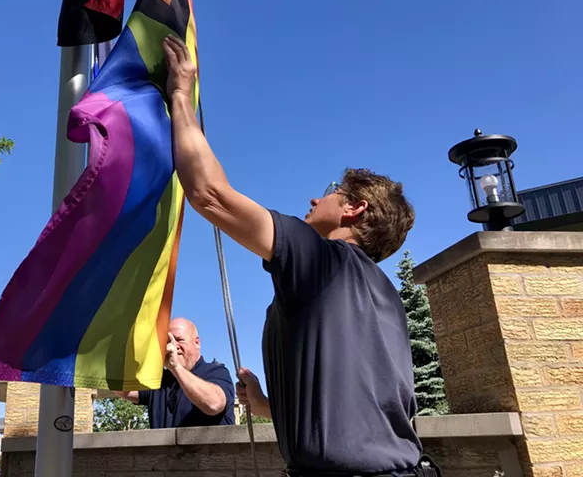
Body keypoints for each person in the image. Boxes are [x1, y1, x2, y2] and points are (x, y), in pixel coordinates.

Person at [161, 35, 427, 476]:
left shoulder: (326, 263)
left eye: (330, 193)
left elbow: (209, 194)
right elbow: (352, 413)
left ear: (353, 209)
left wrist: (180, 94)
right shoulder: (382, 292)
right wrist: (267, 404)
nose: (313, 198)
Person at [117, 317, 235, 428]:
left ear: (197, 343)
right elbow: (123, 388)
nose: (173, 346)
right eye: (168, 341)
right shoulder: (159, 379)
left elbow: (214, 404)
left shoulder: (216, 372)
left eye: (179, 340)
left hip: (211, 450)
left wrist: (176, 367)